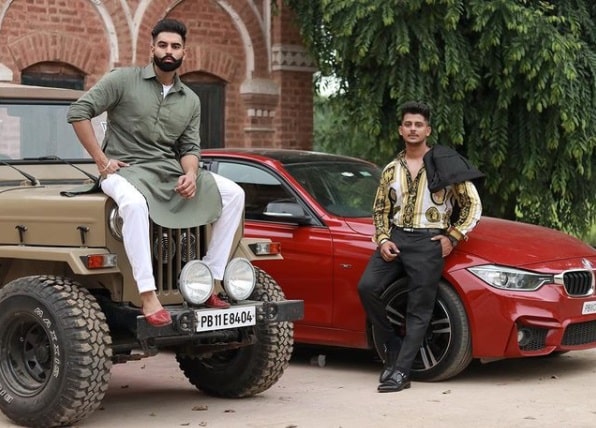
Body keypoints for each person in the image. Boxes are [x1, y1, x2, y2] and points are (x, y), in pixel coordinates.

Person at [67, 18, 244, 327]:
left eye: (175, 46)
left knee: (234, 194)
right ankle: (148, 294)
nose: (168, 51)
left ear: (184, 52)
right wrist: (102, 161)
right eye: (162, 45)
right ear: (152, 49)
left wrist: (191, 174)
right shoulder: (123, 80)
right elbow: (78, 112)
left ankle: (210, 281)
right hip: (123, 170)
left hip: (166, 170)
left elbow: (190, 148)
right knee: (134, 205)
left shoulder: (190, 100)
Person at [357, 101, 482, 392]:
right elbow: (380, 210)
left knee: (419, 307)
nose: (413, 129)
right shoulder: (391, 169)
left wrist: (452, 237)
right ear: (400, 130)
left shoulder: (445, 164)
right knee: (367, 287)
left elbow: (472, 204)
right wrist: (383, 239)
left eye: (418, 125)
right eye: (408, 124)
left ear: (428, 130)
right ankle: (393, 345)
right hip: (397, 238)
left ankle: (401, 372)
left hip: (429, 241)